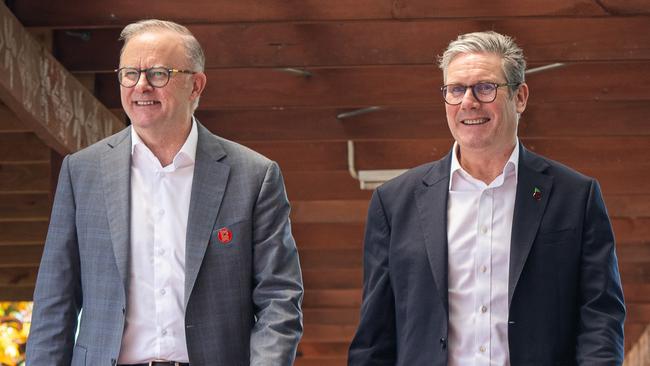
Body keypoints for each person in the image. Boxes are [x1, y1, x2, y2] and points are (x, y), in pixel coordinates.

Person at [26, 19, 303, 366]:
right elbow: (56, 299)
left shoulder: (253, 176)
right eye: (130, 73)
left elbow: (279, 299)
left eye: (159, 74)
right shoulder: (82, 172)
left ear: (196, 86)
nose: (141, 86)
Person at [348, 31, 625, 365]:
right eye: (455, 90)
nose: (468, 102)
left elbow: (600, 317)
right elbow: (374, 336)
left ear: (519, 97)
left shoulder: (575, 197)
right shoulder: (393, 203)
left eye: (485, 87)